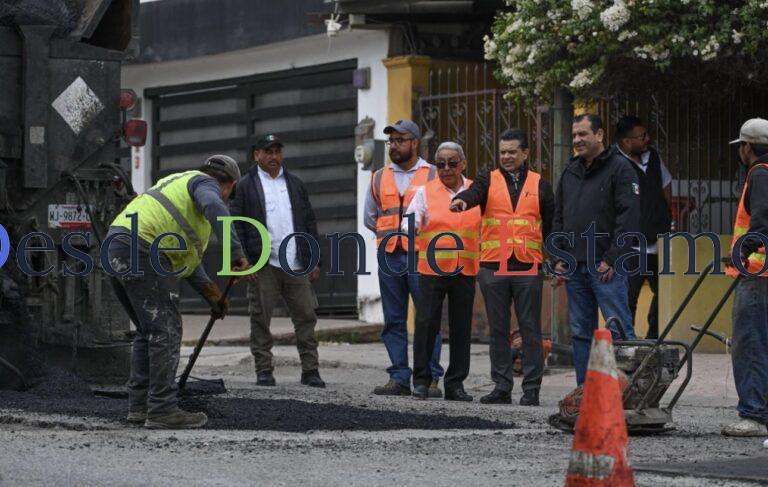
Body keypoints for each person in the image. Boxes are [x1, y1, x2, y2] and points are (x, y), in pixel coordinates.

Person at [108, 155, 251, 429]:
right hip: (142, 248)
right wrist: (235, 254)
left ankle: (140, 406)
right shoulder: (205, 186)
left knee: (147, 331)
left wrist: (211, 294)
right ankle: (162, 409)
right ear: (229, 186)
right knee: (166, 330)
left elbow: (190, 264)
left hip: (118, 246)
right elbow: (214, 206)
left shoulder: (178, 189)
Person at [450, 129, 554, 406]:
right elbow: (473, 192)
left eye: (511, 152)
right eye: (503, 152)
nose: (506, 156)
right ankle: (502, 387)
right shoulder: (488, 179)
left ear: (525, 153)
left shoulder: (541, 184)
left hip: (527, 265)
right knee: (498, 329)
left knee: (530, 329)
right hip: (493, 265)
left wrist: (556, 260)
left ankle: (531, 389)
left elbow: (553, 226)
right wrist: (461, 200)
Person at [229, 134, 325, 388]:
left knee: (306, 317)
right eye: (267, 152)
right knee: (260, 319)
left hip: (295, 262)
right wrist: (241, 259)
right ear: (256, 155)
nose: (273, 157)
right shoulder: (245, 186)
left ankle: (311, 370)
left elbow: (309, 221)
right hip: (263, 265)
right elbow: (235, 225)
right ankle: (264, 371)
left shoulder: (294, 184)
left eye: (277, 151)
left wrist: (314, 258)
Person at [552, 114, 639, 386]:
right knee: (580, 332)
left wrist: (612, 258)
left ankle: (628, 394)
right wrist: (559, 256)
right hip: (575, 267)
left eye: (583, 134)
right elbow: (559, 217)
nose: (577, 140)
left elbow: (630, 217)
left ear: (599, 135)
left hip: (606, 267)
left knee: (619, 330)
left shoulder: (620, 168)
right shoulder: (570, 171)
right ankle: (584, 394)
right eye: (574, 135)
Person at [364, 119, 444, 396]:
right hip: (389, 256)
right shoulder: (378, 176)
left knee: (428, 318)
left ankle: (430, 377)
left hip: (422, 256)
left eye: (400, 140)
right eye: (391, 141)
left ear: (415, 143)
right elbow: (370, 218)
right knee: (394, 319)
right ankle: (399, 377)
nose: (394, 146)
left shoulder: (433, 175)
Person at [405, 141, 480, 401]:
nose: (446, 168)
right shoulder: (426, 192)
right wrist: (412, 228)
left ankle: (455, 384)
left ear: (463, 164)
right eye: (440, 164)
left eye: (452, 163)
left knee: (461, 328)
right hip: (432, 270)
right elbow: (410, 220)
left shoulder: (475, 191)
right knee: (426, 324)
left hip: (465, 269)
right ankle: (422, 381)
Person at [722, 118, 768, 437]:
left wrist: (742, 251)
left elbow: (762, 225)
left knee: (749, 343)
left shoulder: (760, 173)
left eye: (741, 147)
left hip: (758, 272)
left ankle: (753, 414)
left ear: (747, 147)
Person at [615, 115, 672, 339]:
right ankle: (627, 343)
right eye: (642, 136)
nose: (647, 139)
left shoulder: (653, 157)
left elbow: (666, 185)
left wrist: (667, 217)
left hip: (658, 242)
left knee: (663, 296)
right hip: (630, 247)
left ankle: (652, 339)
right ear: (627, 141)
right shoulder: (614, 163)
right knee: (628, 298)